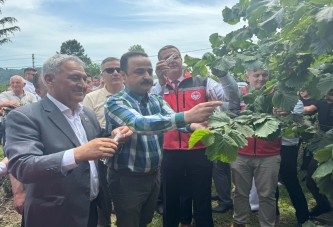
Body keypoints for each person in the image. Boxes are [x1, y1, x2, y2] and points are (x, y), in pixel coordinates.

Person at [5, 54, 132, 227]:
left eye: (84, 78)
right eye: (74, 78)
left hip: (92, 208)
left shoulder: (86, 114)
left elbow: (97, 141)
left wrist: (115, 135)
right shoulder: (24, 116)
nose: (83, 84)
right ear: (49, 79)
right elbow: (23, 166)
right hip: (55, 215)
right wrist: (78, 154)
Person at [104, 51, 222, 227]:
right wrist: (188, 116)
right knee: (129, 223)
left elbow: (173, 119)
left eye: (148, 71)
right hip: (127, 178)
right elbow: (139, 124)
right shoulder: (115, 102)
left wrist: (194, 126)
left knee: (144, 221)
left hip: (153, 176)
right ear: (123, 75)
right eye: (139, 72)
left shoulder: (154, 100)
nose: (146, 76)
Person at [151, 45, 239, 227]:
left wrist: (223, 74)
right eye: (166, 58)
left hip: (199, 149)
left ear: (182, 60)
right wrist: (160, 82)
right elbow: (151, 110)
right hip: (169, 150)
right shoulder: (157, 87)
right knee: (170, 197)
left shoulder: (203, 81)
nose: (172, 60)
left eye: (175, 56)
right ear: (160, 64)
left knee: (202, 195)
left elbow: (231, 98)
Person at [231, 69, 281, 227]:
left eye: (264, 75)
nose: (261, 79)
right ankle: (239, 222)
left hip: (269, 154)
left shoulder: (277, 96)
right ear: (247, 77)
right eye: (256, 75)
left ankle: (267, 224)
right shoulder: (238, 96)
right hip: (241, 153)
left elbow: (285, 121)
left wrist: (283, 114)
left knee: (267, 195)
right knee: (240, 193)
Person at [304, 89, 333, 217]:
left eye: (331, 94)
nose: (328, 96)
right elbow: (309, 109)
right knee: (311, 180)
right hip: (323, 144)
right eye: (327, 93)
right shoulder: (322, 100)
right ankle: (323, 205)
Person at [83, 57, 124, 128]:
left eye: (119, 70)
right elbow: (87, 126)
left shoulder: (134, 95)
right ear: (102, 76)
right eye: (110, 70)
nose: (116, 73)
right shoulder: (91, 98)